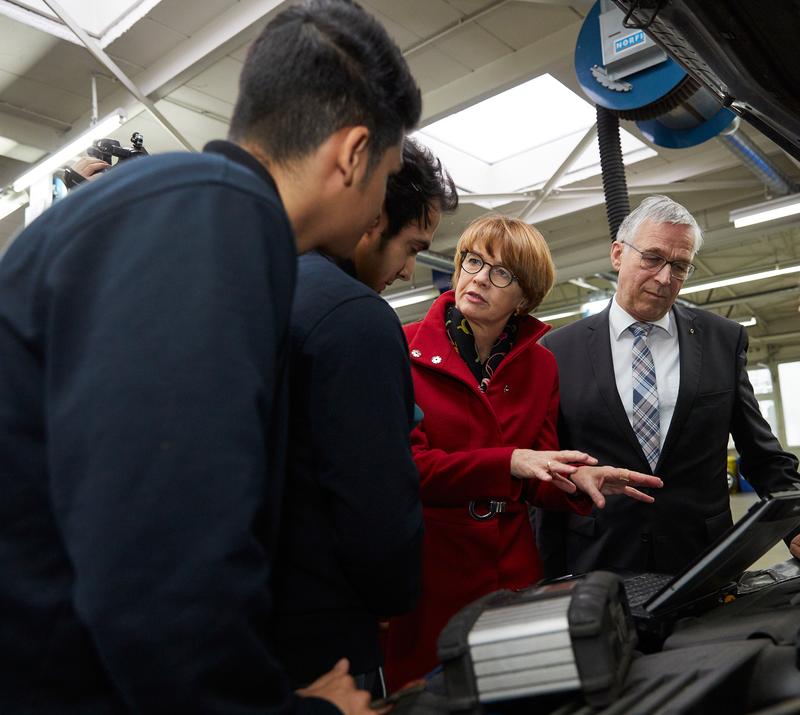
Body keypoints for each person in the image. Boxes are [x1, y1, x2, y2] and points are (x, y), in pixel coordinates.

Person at [0, 1, 420, 713]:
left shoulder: (187, 207)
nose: (383, 200)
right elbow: (155, 575)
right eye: (388, 172)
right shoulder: (209, 226)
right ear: (352, 155)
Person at [382, 215, 663, 688]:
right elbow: (407, 468)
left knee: (520, 691)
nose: (478, 279)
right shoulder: (400, 347)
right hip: (432, 572)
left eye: (501, 274)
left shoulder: (540, 364)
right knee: (429, 698)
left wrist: (577, 480)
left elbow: (540, 467)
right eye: (473, 261)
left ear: (524, 297)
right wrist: (508, 461)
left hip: (514, 571)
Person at [271, 137, 458, 696]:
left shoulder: (257, 284)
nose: (406, 273)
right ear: (373, 216)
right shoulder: (354, 318)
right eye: (411, 246)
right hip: (325, 635)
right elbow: (374, 499)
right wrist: (389, 596)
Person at [536, 195, 800, 579]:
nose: (664, 277)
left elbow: (761, 452)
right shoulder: (557, 350)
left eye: (680, 265)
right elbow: (549, 469)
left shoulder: (721, 340)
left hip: (703, 559)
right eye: (652, 257)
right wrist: (545, 570)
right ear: (617, 255)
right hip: (598, 559)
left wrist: (794, 521)